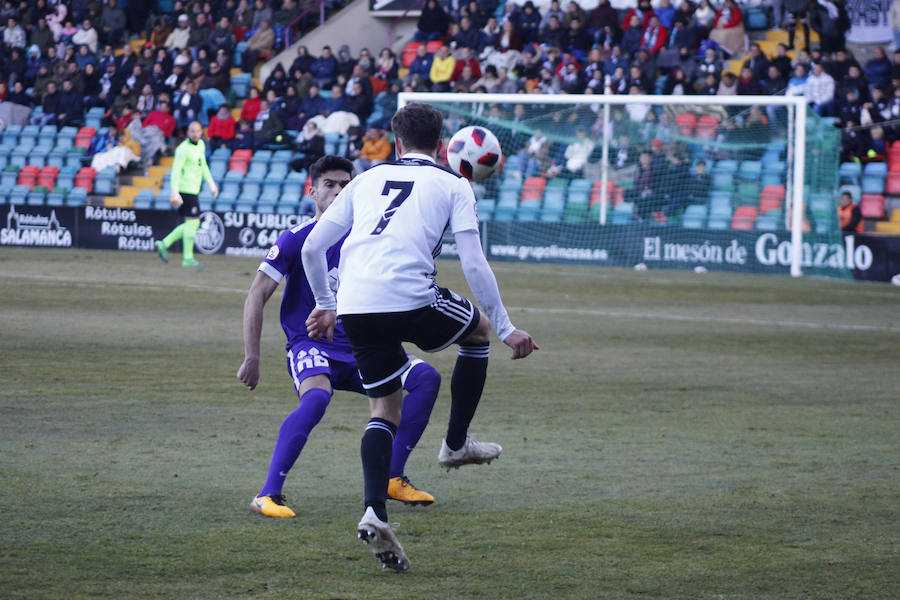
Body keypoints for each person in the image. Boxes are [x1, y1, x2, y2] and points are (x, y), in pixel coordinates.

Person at [300, 103, 539, 572]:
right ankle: (455, 443)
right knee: (480, 332)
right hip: (410, 297)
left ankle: (374, 511)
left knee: (384, 411)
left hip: (356, 306)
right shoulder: (454, 184)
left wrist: (326, 303)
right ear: (445, 143)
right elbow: (473, 263)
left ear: (397, 140)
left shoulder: (365, 178)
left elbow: (313, 246)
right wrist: (509, 328)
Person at [238, 155, 441, 518]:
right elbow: (256, 295)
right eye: (330, 184)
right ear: (311, 190)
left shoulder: (367, 240)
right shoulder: (295, 240)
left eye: (346, 185)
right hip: (312, 344)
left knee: (427, 378)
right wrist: (252, 357)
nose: (337, 191)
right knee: (317, 398)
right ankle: (267, 494)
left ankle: (392, 477)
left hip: (365, 344)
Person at [155, 121, 219, 268]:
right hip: (185, 190)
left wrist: (212, 185)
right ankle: (187, 258)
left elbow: (203, 166)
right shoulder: (182, 149)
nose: (195, 134)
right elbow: (176, 171)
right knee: (193, 222)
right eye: (192, 131)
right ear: (187, 133)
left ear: (201, 132)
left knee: (191, 223)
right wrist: (174, 191)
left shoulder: (201, 145)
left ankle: (164, 244)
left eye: (197, 131)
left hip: (194, 190)